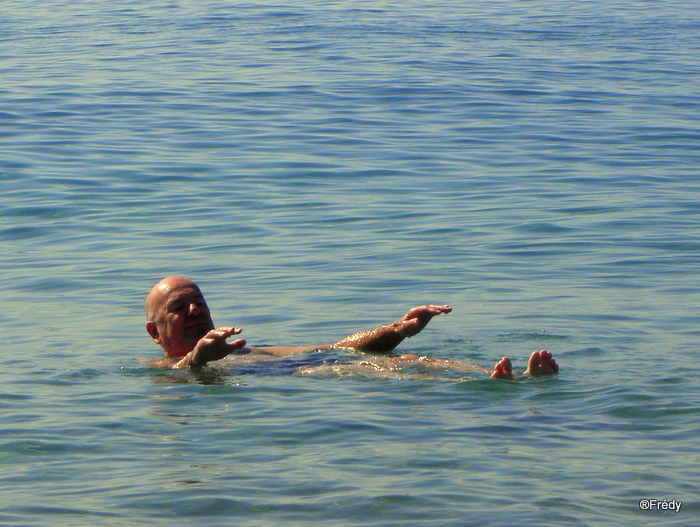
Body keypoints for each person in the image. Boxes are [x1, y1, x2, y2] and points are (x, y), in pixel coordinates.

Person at [144, 276, 559, 380]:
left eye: (200, 301)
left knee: (408, 358)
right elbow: (180, 376)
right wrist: (197, 359)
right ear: (155, 333)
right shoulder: (163, 372)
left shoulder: (245, 351)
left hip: (304, 368)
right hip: (304, 384)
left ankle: (503, 379)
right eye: (180, 307)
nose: (196, 308)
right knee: (366, 372)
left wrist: (397, 329)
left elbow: (336, 346)